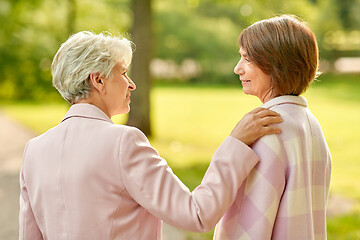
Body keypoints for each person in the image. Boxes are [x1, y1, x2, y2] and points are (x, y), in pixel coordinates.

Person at [19, 31, 283, 240]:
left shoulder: (34, 150)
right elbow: (197, 215)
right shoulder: (123, 142)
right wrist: (235, 144)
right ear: (98, 80)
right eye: (123, 73)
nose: (131, 83)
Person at [213, 15, 332, 240]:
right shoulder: (309, 124)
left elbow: (248, 229)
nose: (237, 68)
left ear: (277, 65)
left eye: (247, 59)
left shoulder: (267, 129)